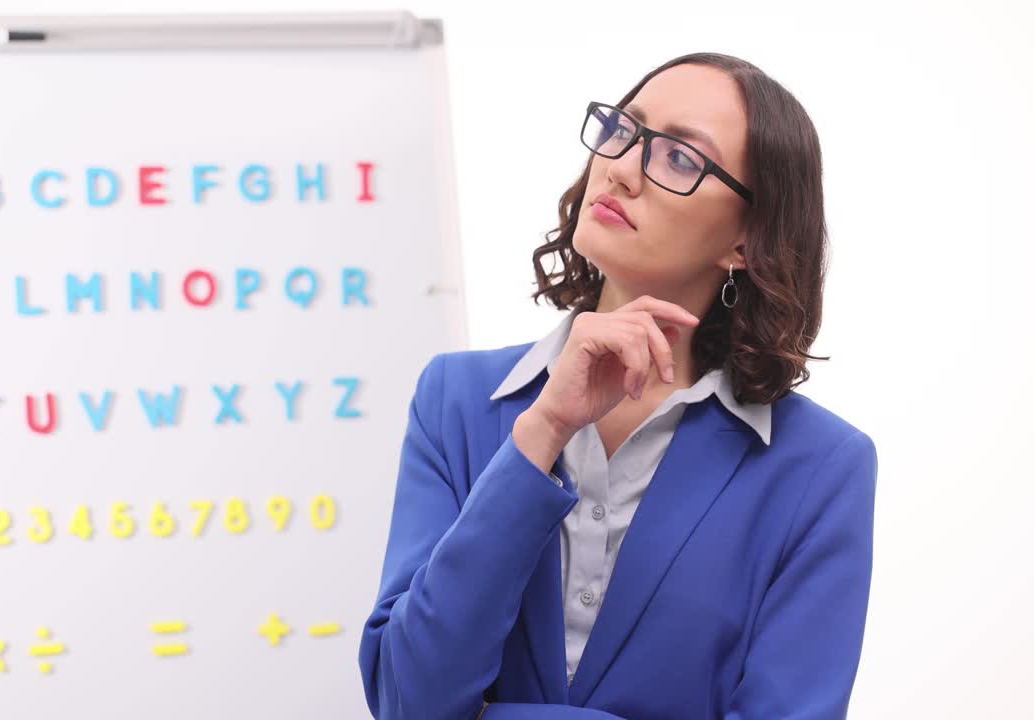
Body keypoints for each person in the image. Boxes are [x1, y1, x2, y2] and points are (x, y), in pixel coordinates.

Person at [356, 52, 879, 720]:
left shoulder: (820, 468)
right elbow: (409, 700)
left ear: (746, 243)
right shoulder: (455, 401)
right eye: (623, 130)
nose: (622, 168)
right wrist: (540, 432)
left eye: (680, 159)